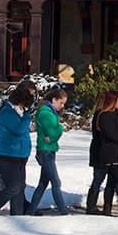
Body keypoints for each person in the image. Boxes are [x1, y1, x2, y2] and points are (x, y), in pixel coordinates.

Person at [0, 80, 36, 216]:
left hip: (20, 155)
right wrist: (27, 116)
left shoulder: (19, 111)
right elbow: (19, 129)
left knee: (18, 187)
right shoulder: (8, 112)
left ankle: (18, 215)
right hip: (6, 156)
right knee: (13, 188)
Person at [28, 87, 70, 216]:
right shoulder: (46, 113)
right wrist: (60, 128)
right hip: (45, 150)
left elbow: (51, 136)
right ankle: (63, 211)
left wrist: (54, 133)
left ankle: (31, 209)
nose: (62, 106)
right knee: (55, 182)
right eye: (61, 103)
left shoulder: (50, 112)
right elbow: (52, 132)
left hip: (49, 149)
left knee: (43, 183)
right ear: (54, 100)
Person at [86, 90, 116, 214]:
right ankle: (91, 206)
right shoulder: (101, 116)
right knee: (99, 179)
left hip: (99, 150)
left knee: (100, 179)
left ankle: (92, 205)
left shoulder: (99, 114)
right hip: (100, 152)